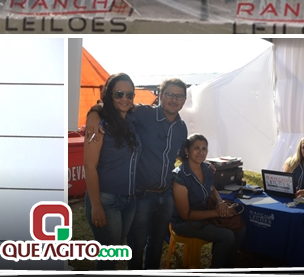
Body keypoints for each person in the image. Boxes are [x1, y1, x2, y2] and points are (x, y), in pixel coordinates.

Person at [86, 77, 189, 269]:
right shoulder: (143, 113)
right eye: (170, 94)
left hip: (165, 195)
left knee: (157, 242)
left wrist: (202, 164)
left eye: (179, 96)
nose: (174, 100)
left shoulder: (181, 128)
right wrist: (93, 113)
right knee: (136, 244)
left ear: (184, 100)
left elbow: (182, 155)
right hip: (141, 194)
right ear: (160, 95)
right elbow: (112, 107)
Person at [171, 134, 245, 268]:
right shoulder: (180, 176)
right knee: (227, 236)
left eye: (204, 149)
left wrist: (219, 202)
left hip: (205, 214)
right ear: (187, 151)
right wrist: (218, 213)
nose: (201, 152)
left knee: (239, 228)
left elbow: (211, 188)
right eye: (196, 148)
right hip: (184, 222)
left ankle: (228, 266)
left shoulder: (206, 168)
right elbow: (185, 215)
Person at [83, 73, 139, 247]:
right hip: (106, 200)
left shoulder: (132, 120)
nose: (125, 99)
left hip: (129, 200)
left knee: (116, 250)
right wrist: (96, 205)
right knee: (108, 255)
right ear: (109, 95)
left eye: (129, 94)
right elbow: (89, 167)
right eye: (119, 94)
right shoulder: (99, 125)